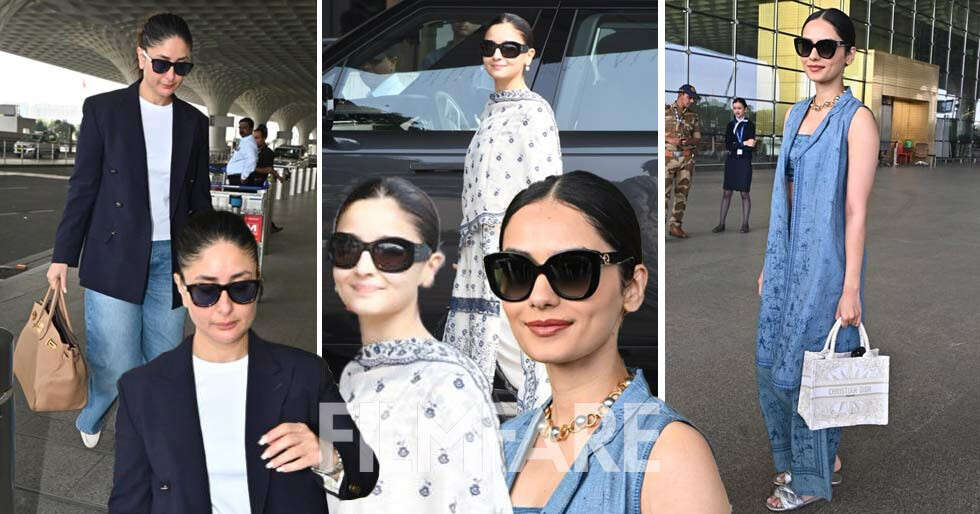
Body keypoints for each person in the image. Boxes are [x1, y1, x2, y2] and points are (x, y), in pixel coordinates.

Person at [488, 171, 730, 513]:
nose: (539, 297)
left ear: (632, 288)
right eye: (515, 270)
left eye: (572, 270)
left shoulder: (670, 454)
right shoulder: (501, 444)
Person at [109, 210, 379, 513]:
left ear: (258, 283)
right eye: (205, 291)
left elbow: (365, 471)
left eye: (241, 288)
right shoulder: (141, 389)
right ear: (182, 289)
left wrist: (326, 456)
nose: (224, 308)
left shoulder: (306, 375)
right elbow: (128, 503)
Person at [47, 13, 211, 449]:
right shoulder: (104, 111)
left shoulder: (194, 122)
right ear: (141, 57)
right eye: (162, 63)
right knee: (115, 360)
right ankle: (96, 410)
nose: (172, 75)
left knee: (162, 358)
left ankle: (147, 429)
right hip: (115, 253)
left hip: (171, 257)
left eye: (182, 66)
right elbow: (83, 187)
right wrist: (62, 256)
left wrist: (206, 263)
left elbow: (199, 200)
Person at [327, 177, 511, 513]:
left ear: (429, 267)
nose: (363, 268)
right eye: (347, 249)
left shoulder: (450, 386)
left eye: (391, 253)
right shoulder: (354, 372)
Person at [755, 8, 878, 511]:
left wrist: (850, 287)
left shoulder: (859, 120)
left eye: (826, 47)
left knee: (810, 368)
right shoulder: (794, 114)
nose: (813, 56)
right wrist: (770, 262)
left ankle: (808, 479)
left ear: (848, 54)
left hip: (827, 264)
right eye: (804, 46)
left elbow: (855, 210)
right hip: (785, 259)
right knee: (771, 362)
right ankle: (817, 459)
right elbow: (784, 191)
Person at [444, 12, 561, 414]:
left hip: (513, 249)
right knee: (483, 342)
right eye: (489, 47)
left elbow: (546, 188)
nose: (498, 55)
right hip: (481, 252)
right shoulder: (491, 110)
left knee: (518, 342)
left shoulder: (535, 111)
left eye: (509, 48)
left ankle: (554, 429)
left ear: (528, 55)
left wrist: (533, 254)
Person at [713, 98, 757, 234]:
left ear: (744, 109)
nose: (737, 111)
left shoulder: (750, 125)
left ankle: (745, 224)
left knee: (744, 193)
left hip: (744, 161)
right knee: (727, 193)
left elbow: (752, 146)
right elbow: (728, 144)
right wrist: (743, 144)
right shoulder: (730, 125)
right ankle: (721, 224)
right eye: (735, 108)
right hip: (732, 161)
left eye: (739, 108)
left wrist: (739, 145)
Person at [664, 84, 702, 239]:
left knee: (682, 195)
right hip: (667, 158)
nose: (692, 101)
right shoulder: (663, 111)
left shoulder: (693, 116)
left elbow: (698, 139)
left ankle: (675, 226)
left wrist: (689, 140)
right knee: (663, 195)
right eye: (689, 97)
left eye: (693, 98)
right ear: (680, 94)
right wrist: (668, 138)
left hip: (686, 159)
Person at [244, 124, 285, 232]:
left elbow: (268, 169)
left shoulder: (268, 153)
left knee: (258, 208)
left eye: (257, 138)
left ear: (264, 138)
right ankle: (269, 226)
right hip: (248, 182)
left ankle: (265, 227)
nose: (254, 140)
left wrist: (253, 168)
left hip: (258, 184)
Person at [226, 117, 258, 184]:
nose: (241, 130)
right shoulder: (244, 141)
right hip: (237, 177)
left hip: (240, 178)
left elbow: (252, 159)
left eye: (244, 127)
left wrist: (244, 176)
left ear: (251, 129)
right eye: (240, 128)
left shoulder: (249, 142)